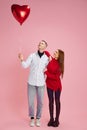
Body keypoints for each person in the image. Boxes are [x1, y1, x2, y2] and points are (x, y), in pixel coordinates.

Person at [18, 40, 49, 127]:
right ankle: (32, 118)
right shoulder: (32, 55)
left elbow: (49, 69)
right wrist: (21, 59)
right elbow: (25, 65)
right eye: (39, 43)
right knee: (31, 102)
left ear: (45, 46)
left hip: (41, 83)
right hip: (31, 82)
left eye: (42, 43)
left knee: (40, 102)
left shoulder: (47, 58)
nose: (40, 44)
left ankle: (38, 118)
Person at [44, 49, 64, 127]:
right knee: (50, 101)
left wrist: (46, 72)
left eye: (56, 52)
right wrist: (44, 50)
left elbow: (55, 77)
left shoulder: (60, 65)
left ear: (59, 56)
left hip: (57, 86)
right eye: (54, 52)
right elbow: (46, 52)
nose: (54, 53)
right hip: (49, 84)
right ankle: (51, 119)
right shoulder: (51, 59)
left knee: (57, 101)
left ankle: (57, 120)